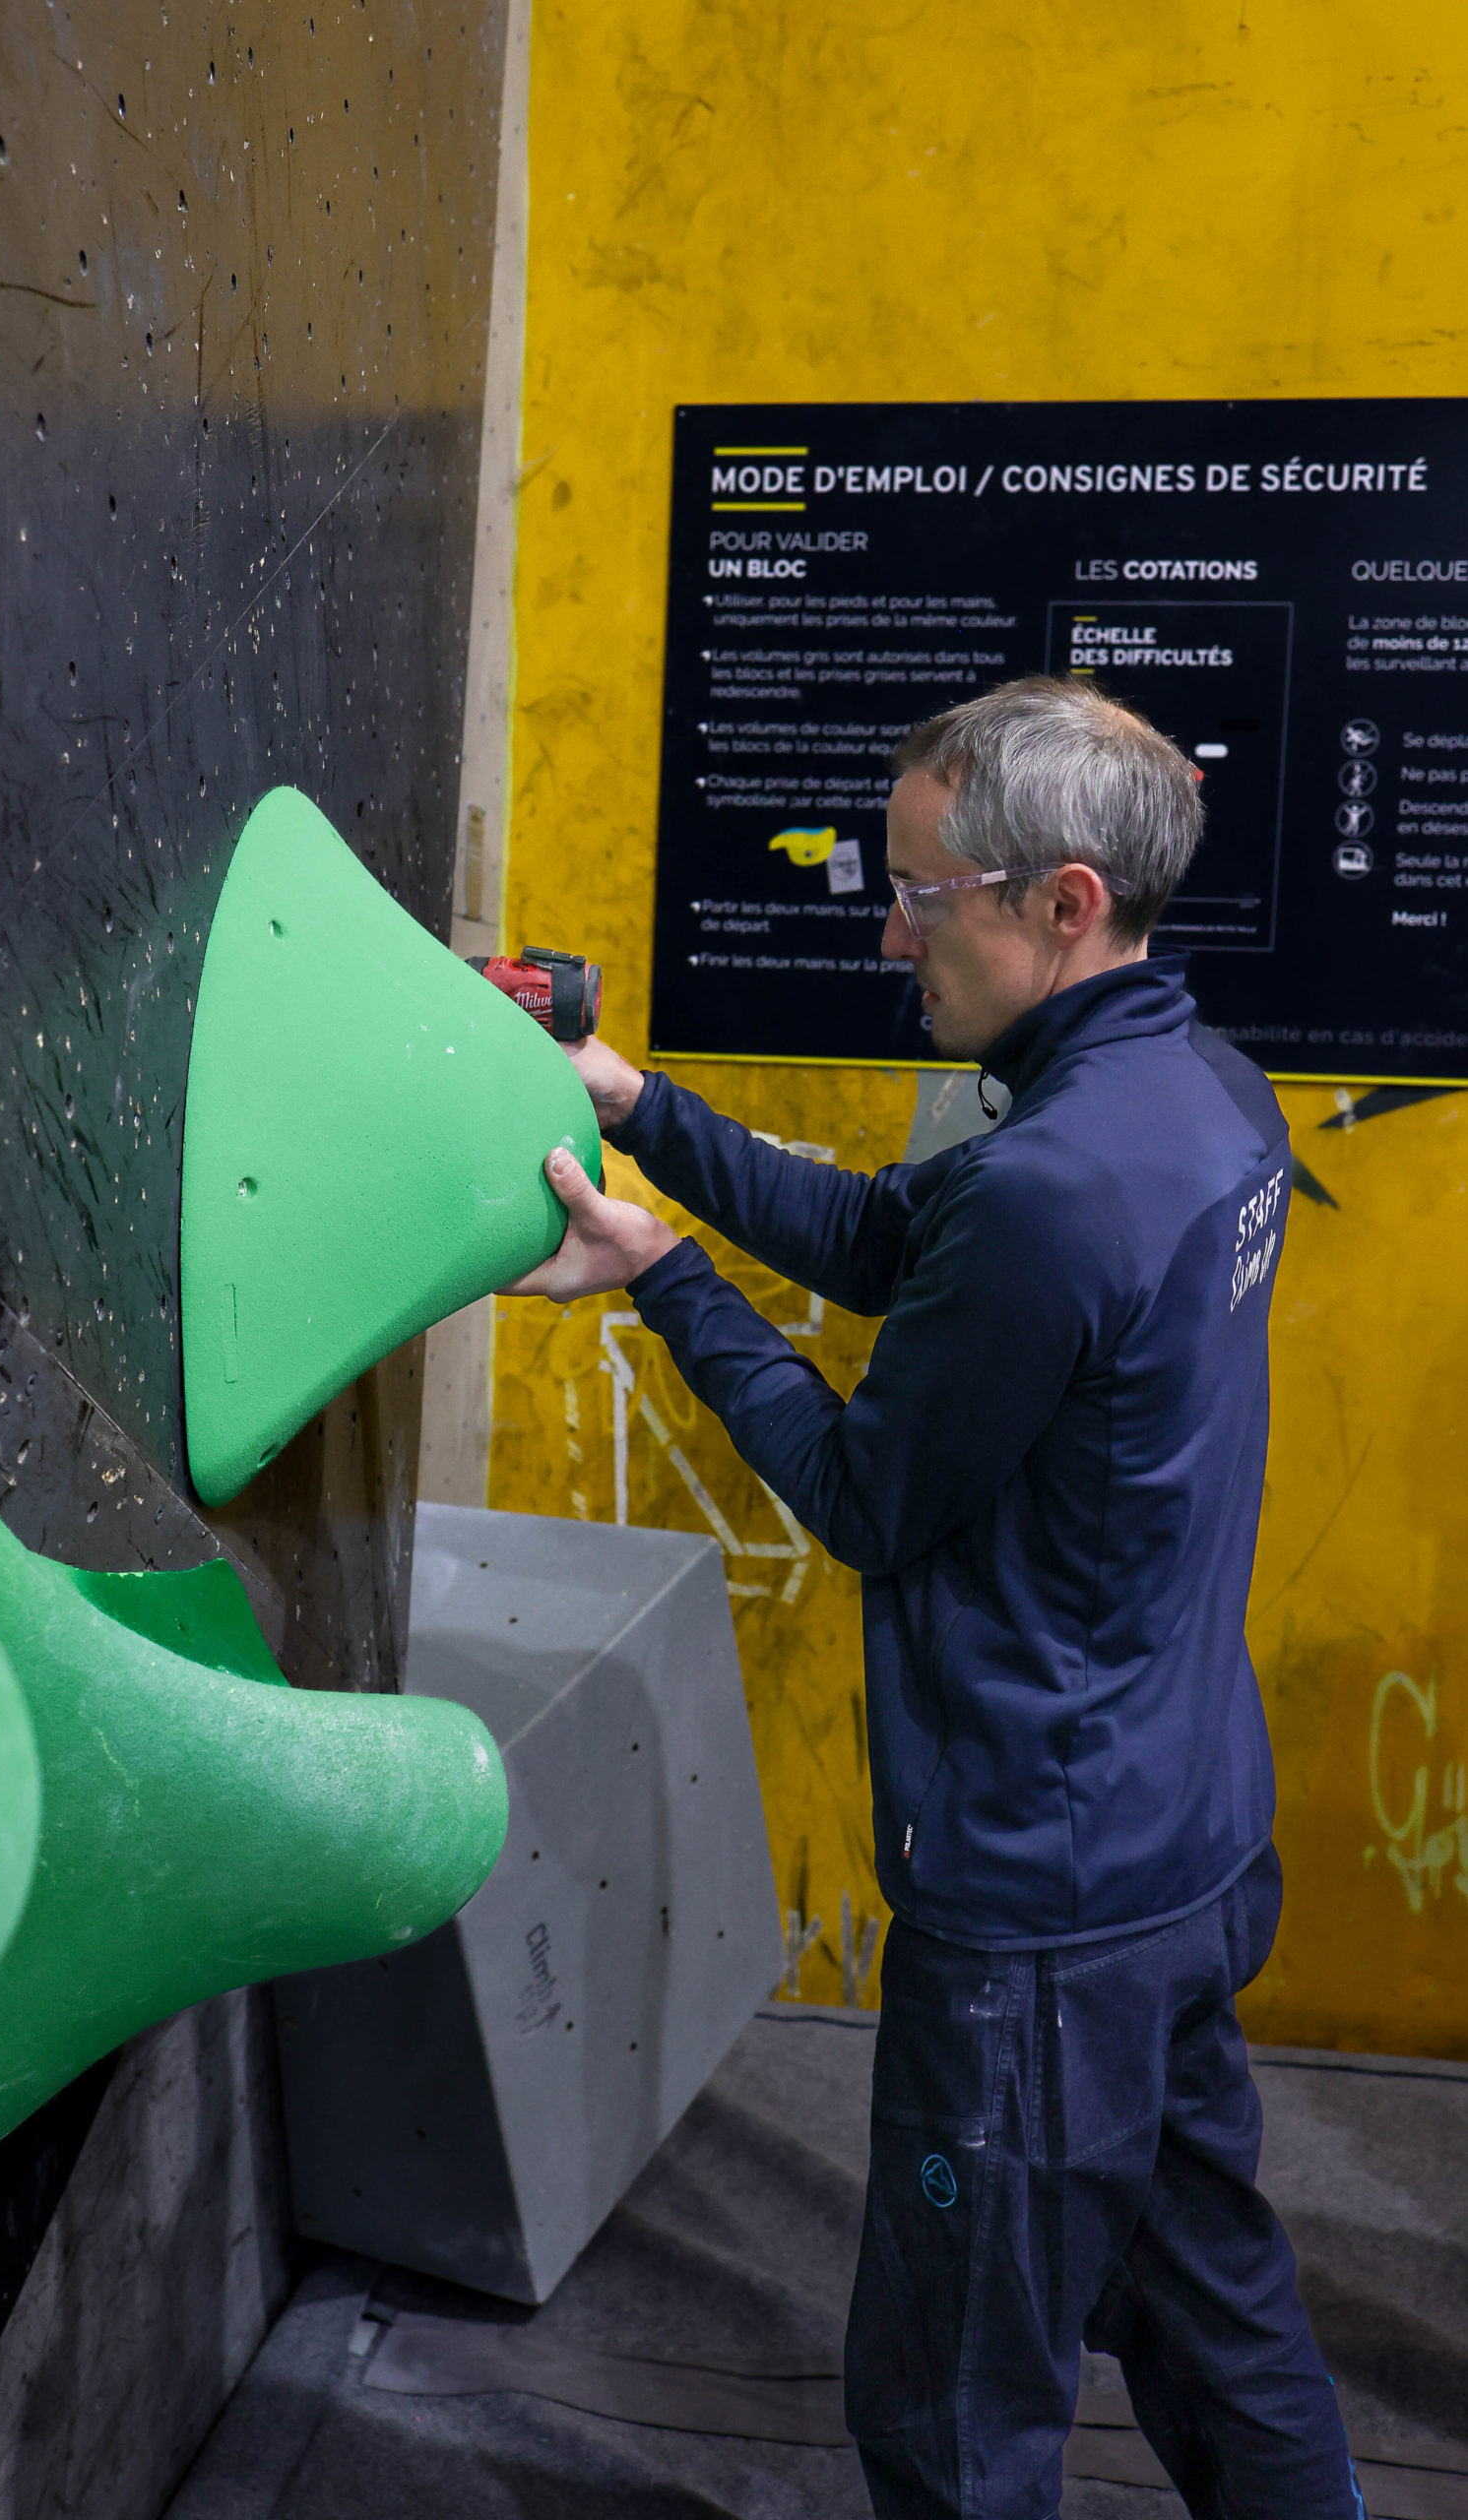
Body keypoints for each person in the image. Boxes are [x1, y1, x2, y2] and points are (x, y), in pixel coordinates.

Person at [503, 676, 1364, 2520]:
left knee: (952, 2406)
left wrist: (660, 1280)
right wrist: (636, 1108)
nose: (891, 932)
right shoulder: (1200, 1092)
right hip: (1181, 1845)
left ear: (1064, 901)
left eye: (921, 894)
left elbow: (863, 1498)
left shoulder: (1057, 1186)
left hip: (1044, 1918)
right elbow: (903, 1240)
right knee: (1221, 2325)